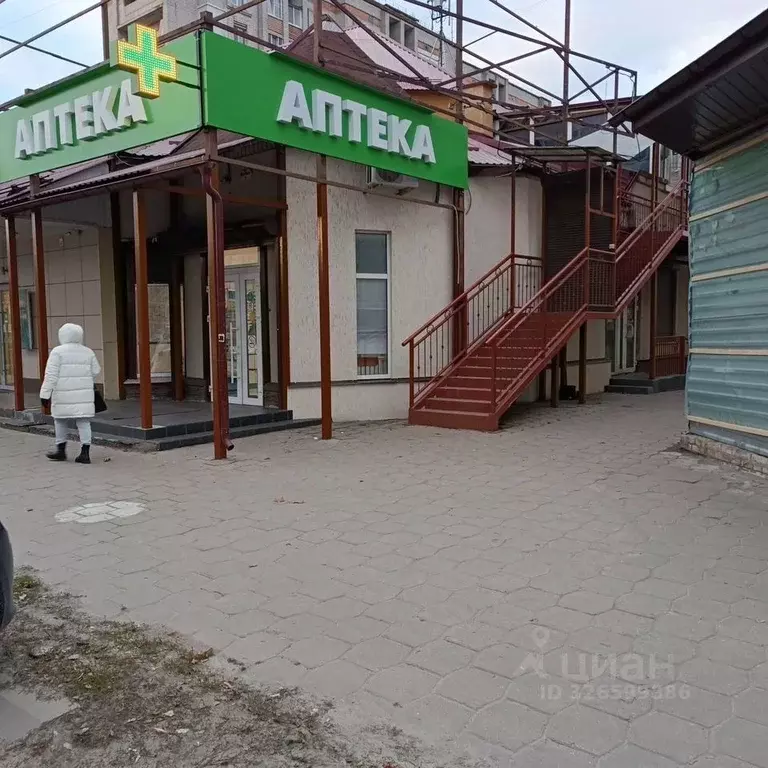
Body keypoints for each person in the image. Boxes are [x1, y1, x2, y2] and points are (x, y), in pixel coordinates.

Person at [40, 323, 101, 465]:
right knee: (84, 422)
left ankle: (61, 450)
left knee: (60, 420)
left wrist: (45, 394)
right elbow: (96, 371)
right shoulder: (88, 351)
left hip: (62, 395)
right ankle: (85, 453)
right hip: (83, 394)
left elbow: (51, 375)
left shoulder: (57, 352)